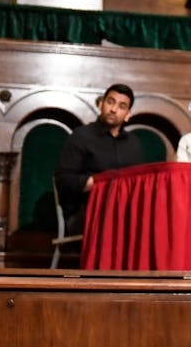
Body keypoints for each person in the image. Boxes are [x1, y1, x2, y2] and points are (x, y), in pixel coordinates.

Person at [53, 83, 149, 234]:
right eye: (110, 102)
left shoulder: (134, 144)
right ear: (101, 103)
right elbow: (63, 181)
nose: (113, 109)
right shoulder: (81, 136)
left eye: (122, 106)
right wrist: (98, 183)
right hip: (84, 212)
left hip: (125, 212)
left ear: (128, 114)